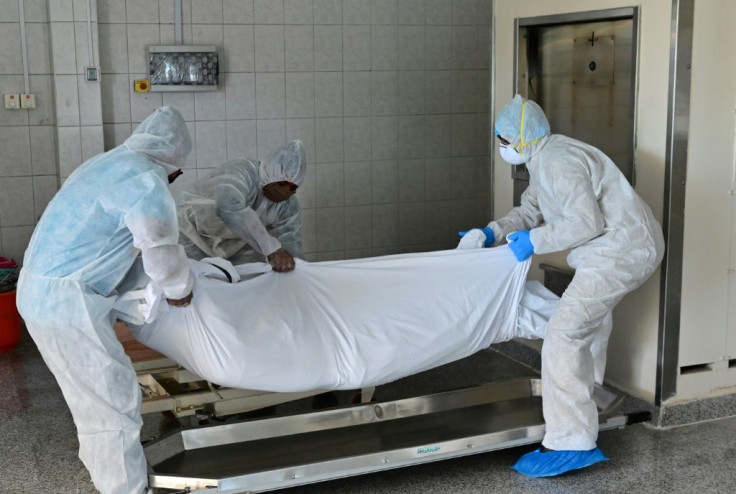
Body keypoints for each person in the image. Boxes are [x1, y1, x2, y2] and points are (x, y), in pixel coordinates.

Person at [458, 94, 664, 477]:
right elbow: (531, 209)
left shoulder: (559, 162)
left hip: (621, 250)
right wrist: (493, 231)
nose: (502, 148)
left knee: (564, 334)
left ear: (520, 140)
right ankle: (591, 395)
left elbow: (587, 223)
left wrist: (533, 243)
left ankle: (571, 441)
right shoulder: (543, 158)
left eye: (503, 141)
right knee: (589, 322)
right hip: (616, 248)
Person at [16, 107, 194, 494]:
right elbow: (160, 253)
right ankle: (124, 488)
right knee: (110, 400)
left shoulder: (107, 163)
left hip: (41, 288)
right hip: (65, 304)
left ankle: (108, 468)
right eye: (177, 176)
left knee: (93, 396)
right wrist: (182, 291)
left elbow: (112, 245)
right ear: (172, 165)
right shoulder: (148, 182)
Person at [177, 140, 306, 272]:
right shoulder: (243, 171)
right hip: (193, 233)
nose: (285, 191)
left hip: (236, 241)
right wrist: (271, 248)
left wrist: (295, 268)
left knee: (249, 278)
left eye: (293, 187)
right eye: (282, 182)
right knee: (194, 279)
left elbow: (291, 243)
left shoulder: (287, 206)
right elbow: (228, 208)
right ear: (269, 172)